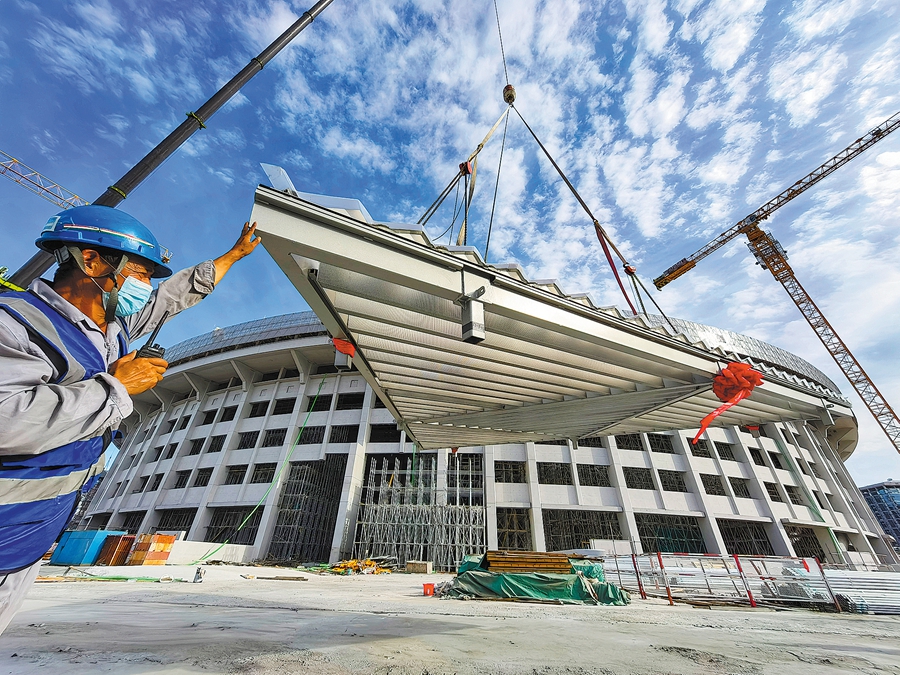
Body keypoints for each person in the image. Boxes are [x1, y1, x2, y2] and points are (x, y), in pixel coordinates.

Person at [0, 205, 260, 634]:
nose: (144, 286)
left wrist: (231, 257)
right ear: (91, 261)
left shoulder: (111, 332)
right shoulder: (16, 323)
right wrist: (116, 387)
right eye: (139, 273)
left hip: (31, 533)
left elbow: (170, 298)